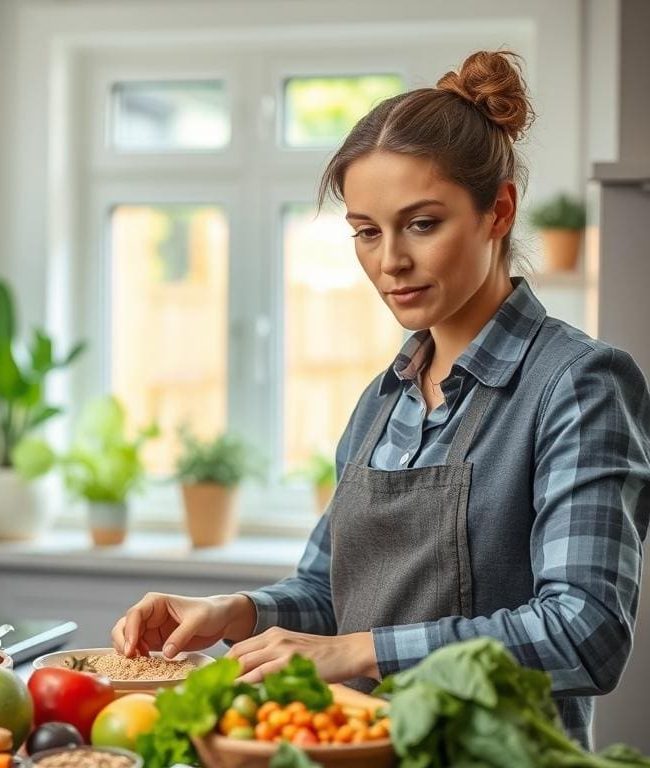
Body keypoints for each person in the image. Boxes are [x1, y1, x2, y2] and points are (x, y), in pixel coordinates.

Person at [110, 50, 650, 750]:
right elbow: (331, 592)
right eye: (367, 231)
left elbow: (587, 633)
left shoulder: (578, 385)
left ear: (499, 211)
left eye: (422, 224)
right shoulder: (383, 400)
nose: (389, 260)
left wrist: (362, 651)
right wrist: (231, 611)